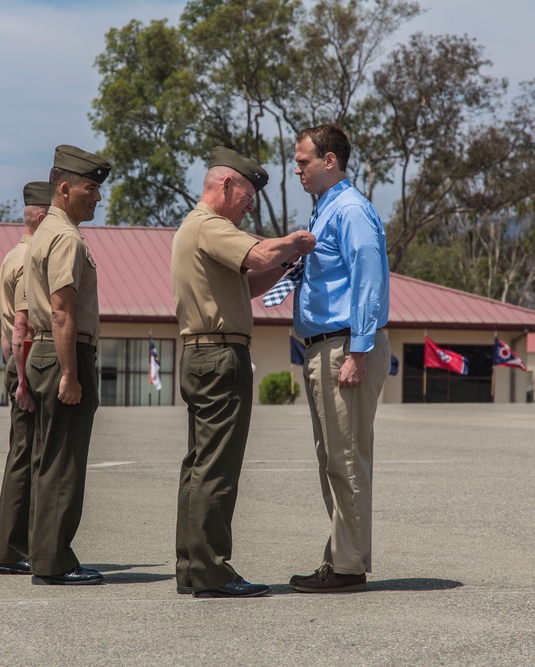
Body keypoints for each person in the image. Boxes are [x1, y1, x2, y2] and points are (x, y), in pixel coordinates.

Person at [172, 146, 316, 598]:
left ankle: (192, 567)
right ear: (226, 185)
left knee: (199, 465)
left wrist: (286, 264)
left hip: (202, 355)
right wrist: (296, 242)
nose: (249, 205)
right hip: (219, 356)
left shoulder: (197, 230)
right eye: (247, 196)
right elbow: (258, 256)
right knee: (217, 468)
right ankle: (212, 570)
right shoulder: (210, 226)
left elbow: (250, 281)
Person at [288, 124, 391, 593]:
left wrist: (359, 350)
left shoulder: (349, 210)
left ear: (330, 161)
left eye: (303, 160)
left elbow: (368, 277)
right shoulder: (325, 209)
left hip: (344, 346)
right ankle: (341, 557)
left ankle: (348, 566)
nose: (297, 169)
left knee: (345, 459)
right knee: (332, 457)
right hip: (326, 346)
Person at [23, 145, 110, 585]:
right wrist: (71, 374)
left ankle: (45, 554)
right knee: (63, 463)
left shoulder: (44, 232)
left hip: (44, 352)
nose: (97, 197)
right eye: (90, 188)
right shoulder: (66, 237)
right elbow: (61, 310)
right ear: (64, 188)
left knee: (48, 458)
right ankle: (54, 560)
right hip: (64, 353)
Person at [0, 181, 50, 576]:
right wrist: (24, 383)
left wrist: (11, 374)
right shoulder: (32, 258)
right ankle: (13, 550)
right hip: (29, 360)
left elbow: (4, 329)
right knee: (28, 458)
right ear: (44, 217)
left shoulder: (10, 257)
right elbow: (23, 326)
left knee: (22, 454)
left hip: (16, 360)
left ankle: (15, 547)